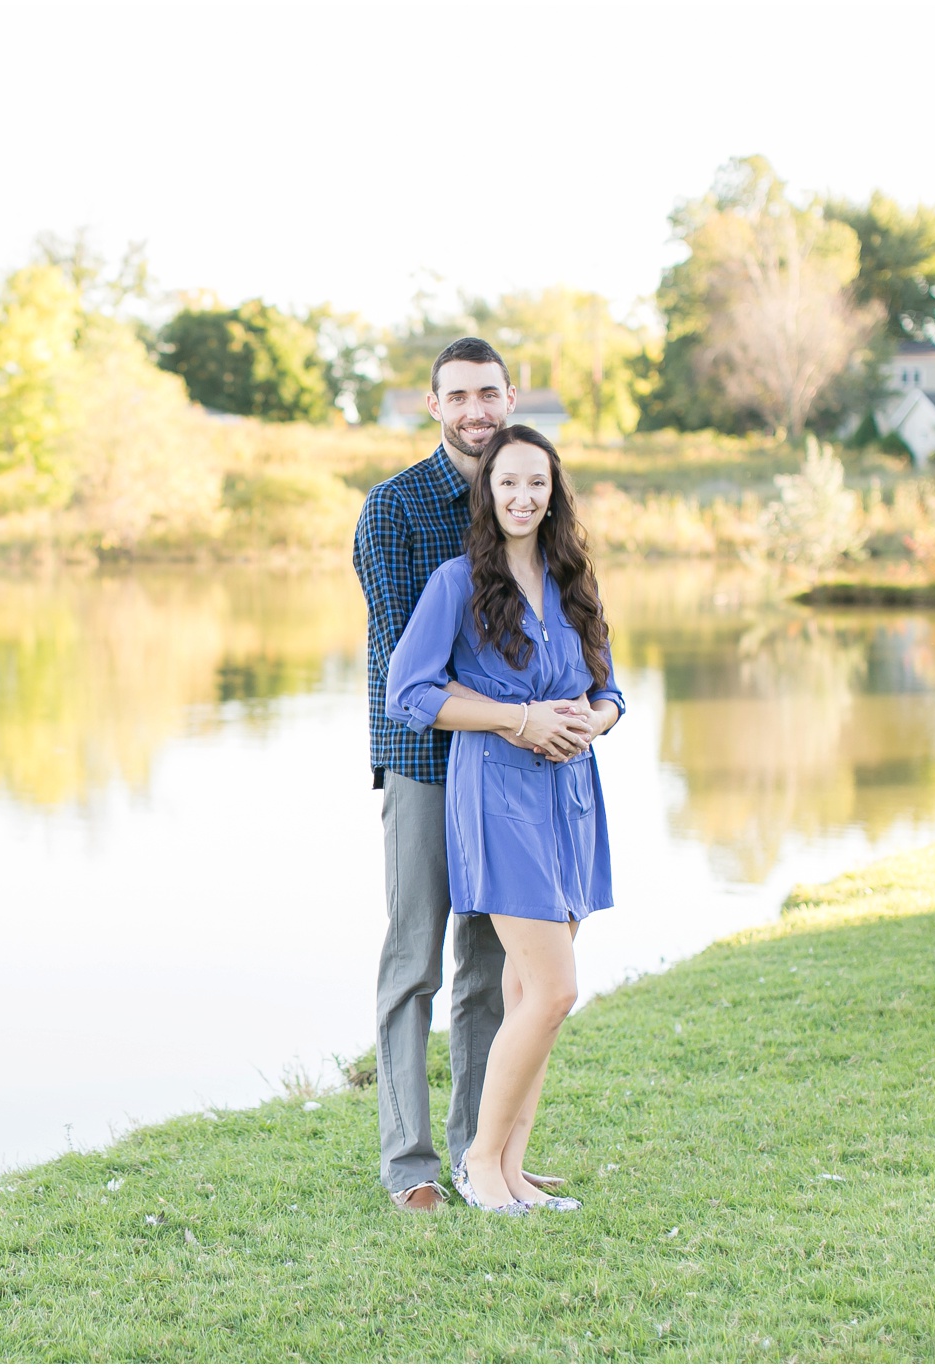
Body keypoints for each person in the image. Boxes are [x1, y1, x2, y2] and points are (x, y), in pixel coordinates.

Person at [353, 338, 593, 1212]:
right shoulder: (394, 511)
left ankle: (478, 1151)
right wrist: (515, 717)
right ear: (434, 406)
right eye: (457, 396)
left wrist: (568, 719)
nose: (475, 410)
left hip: (517, 775)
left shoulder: (522, 491)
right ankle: (410, 1162)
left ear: (511, 396)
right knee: (415, 960)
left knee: (494, 971)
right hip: (427, 763)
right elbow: (402, 663)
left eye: (488, 393)